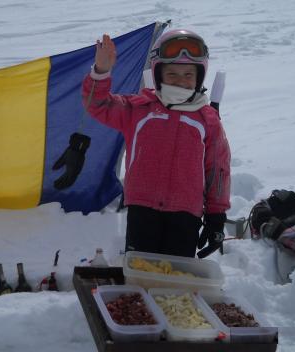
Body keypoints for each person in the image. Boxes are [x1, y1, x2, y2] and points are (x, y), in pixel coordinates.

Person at [81, 29, 231, 258]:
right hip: (143, 210)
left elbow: (217, 171)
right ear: (158, 73)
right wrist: (101, 71)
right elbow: (97, 105)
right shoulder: (139, 108)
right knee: (141, 274)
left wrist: (216, 217)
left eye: (188, 75)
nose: (180, 81)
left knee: (176, 281)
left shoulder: (208, 120)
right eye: (172, 74)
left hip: (186, 215)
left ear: (199, 76)